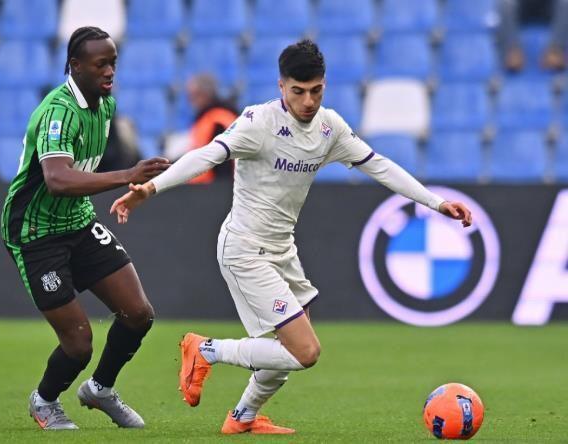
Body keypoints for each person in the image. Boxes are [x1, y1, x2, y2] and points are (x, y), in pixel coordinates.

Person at [111, 40, 473, 435]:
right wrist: (152, 188)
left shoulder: (330, 128)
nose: (308, 101)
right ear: (281, 86)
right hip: (244, 249)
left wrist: (436, 202)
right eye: (298, 91)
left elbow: (379, 165)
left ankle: (243, 417)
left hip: (283, 249)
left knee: (288, 348)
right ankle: (205, 349)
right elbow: (208, 155)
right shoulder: (258, 123)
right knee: (305, 351)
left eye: (316, 90)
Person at [0, 26, 170, 430]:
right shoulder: (59, 112)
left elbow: (87, 168)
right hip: (36, 232)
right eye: (100, 64)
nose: (110, 71)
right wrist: (127, 174)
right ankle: (44, 401)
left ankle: (100, 389)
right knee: (78, 344)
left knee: (138, 314)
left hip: (77, 221)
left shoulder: (105, 105)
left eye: (113, 62)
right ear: (75, 66)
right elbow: (57, 179)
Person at [164, 74, 238, 183]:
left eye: (194, 96)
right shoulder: (210, 117)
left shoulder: (217, 119)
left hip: (216, 187)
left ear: (205, 94)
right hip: (208, 186)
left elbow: (223, 161)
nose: (191, 102)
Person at [498, 0, 568, 71]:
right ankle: (513, 52)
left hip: (548, 7)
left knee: (565, 3)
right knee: (507, 3)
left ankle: (555, 51)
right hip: (521, 8)